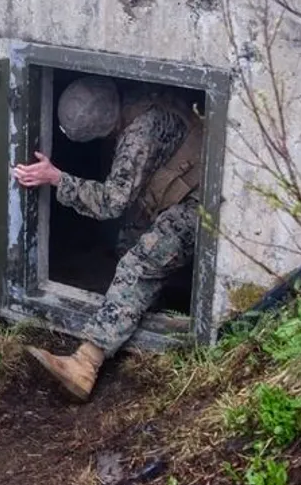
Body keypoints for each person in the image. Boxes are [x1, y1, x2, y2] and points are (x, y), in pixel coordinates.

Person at [12, 75, 204, 402]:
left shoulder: (139, 136)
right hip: (175, 186)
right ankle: (137, 313)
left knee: (137, 264)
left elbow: (111, 203)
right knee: (127, 243)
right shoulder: (134, 97)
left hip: (199, 202)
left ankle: (86, 363)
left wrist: (57, 178)